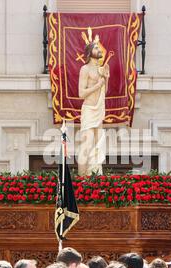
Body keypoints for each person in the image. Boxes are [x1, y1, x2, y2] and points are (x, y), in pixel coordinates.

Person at [77, 31, 109, 176]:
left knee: (98, 146)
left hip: (99, 109)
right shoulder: (85, 69)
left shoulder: (100, 69)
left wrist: (106, 78)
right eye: (96, 48)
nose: (99, 49)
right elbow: (81, 93)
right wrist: (99, 84)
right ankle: (81, 180)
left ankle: (94, 177)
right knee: (87, 145)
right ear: (90, 53)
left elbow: (105, 91)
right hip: (89, 109)